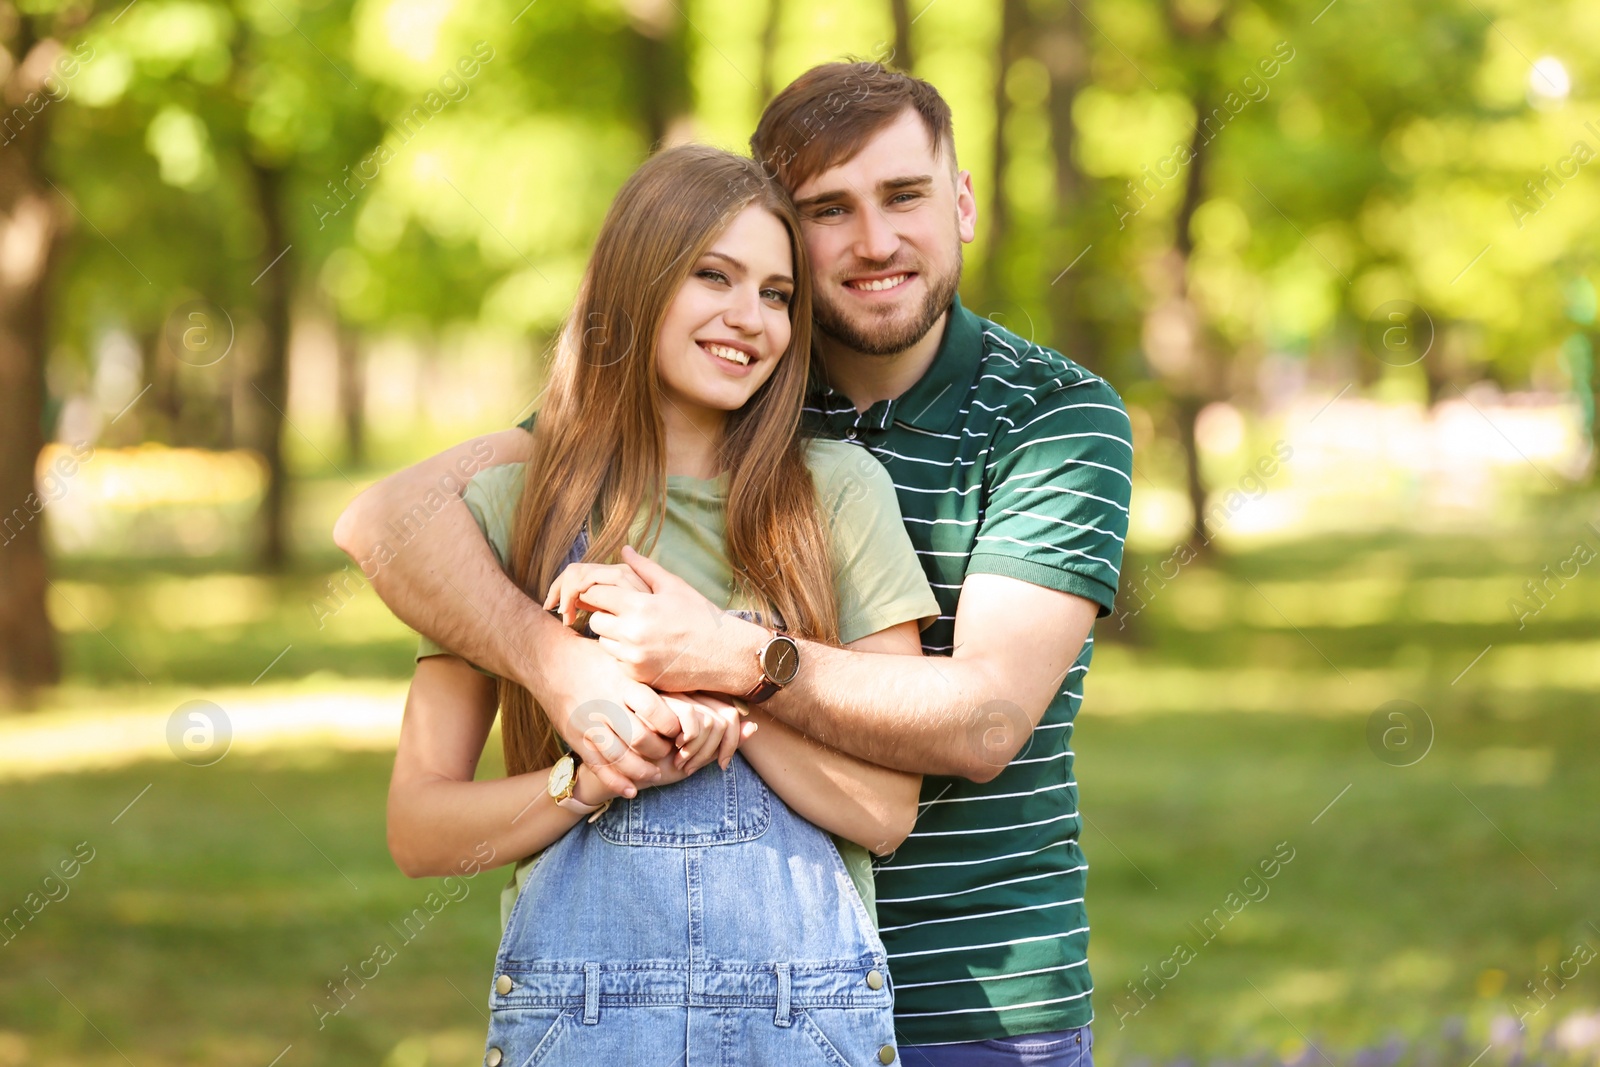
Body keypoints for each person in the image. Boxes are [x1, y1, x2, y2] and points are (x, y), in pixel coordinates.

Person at [337, 64, 1133, 1066]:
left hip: (972, 1001)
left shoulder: (1042, 421)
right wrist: (560, 666)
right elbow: (386, 518)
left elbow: (979, 721)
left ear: (962, 201)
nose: (875, 240)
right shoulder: (702, 401)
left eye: (903, 195)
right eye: (829, 209)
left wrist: (725, 658)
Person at [378, 143, 941, 1065]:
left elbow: (883, 811)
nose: (747, 317)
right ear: (638, 282)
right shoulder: (519, 511)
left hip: (803, 1021)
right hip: (581, 1022)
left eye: (774, 293)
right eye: (712, 275)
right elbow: (419, 828)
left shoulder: (836, 492)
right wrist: (585, 780)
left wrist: (734, 700)